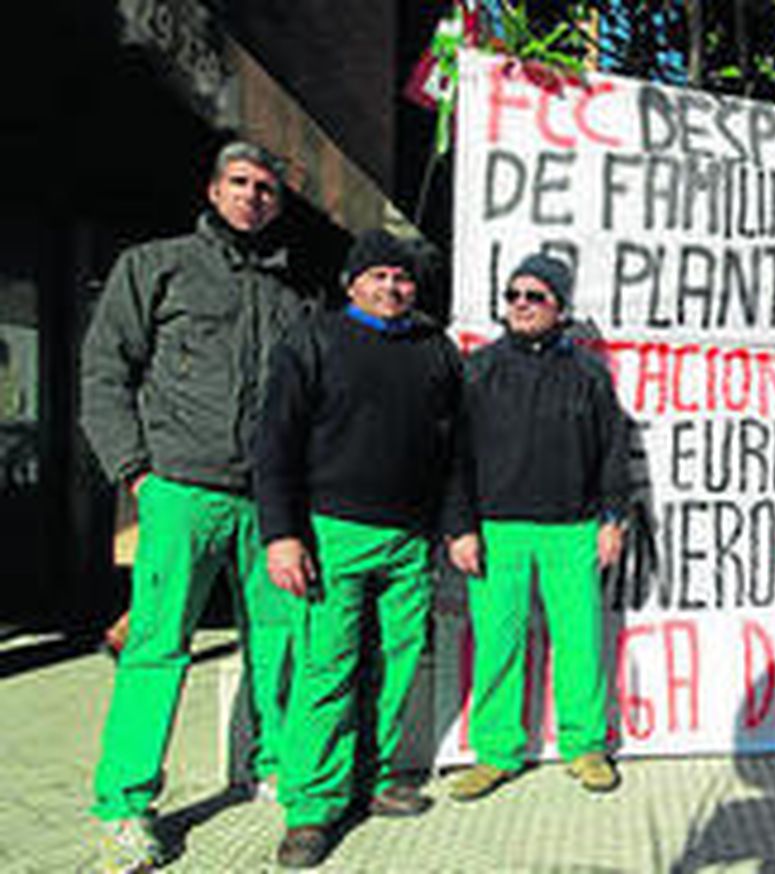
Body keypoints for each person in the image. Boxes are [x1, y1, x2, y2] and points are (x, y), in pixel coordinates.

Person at [79, 140, 307, 871]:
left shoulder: (291, 293)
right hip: (177, 488)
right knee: (156, 648)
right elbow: (105, 371)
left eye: (266, 188)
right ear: (214, 191)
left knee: (279, 639)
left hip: (266, 503)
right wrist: (136, 473)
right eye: (239, 183)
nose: (252, 197)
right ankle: (125, 805)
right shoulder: (155, 266)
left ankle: (272, 768)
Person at [254, 229, 461, 867]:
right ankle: (311, 808)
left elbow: (456, 453)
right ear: (353, 283)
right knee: (327, 670)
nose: (393, 288)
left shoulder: (436, 349)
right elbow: (275, 443)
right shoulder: (312, 340)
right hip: (328, 534)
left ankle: (371, 782)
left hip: (408, 541)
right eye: (379, 277)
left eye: (402, 279)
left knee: (395, 668)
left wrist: (455, 526)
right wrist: (281, 534)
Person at [443, 253, 630, 801]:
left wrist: (613, 518)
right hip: (496, 530)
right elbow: (454, 457)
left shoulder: (590, 374)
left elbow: (612, 453)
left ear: (560, 307)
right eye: (513, 296)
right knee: (497, 643)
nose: (521, 305)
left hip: (572, 529)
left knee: (579, 643)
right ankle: (496, 752)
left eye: (535, 296)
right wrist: (460, 528)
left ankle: (585, 745)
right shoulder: (477, 370)